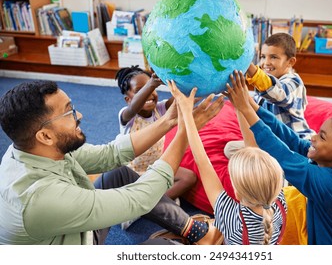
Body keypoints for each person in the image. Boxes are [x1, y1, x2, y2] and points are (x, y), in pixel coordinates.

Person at [0, 80, 224, 245]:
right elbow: (139, 199)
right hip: (80, 241)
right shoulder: (38, 199)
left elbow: (112, 153)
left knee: (119, 173)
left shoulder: (33, 148)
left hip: (76, 227)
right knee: (160, 248)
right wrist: (186, 131)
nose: (80, 116)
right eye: (69, 112)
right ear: (45, 136)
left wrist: (169, 121)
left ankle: (196, 232)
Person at [225, 71, 332, 244]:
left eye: (322, 137)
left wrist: (245, 110)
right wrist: (251, 105)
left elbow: (283, 156)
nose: (313, 137)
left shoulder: (330, 184)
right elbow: (292, 139)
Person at [167, 80, 287, 245]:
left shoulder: (231, 215)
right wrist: (239, 104)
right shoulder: (279, 199)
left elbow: (202, 162)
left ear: (237, 194)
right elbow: (252, 151)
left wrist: (187, 113)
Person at [224, 33, 314, 158]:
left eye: (273, 57)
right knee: (230, 148)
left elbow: (277, 93)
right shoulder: (261, 88)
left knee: (249, 155)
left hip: (295, 144)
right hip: (272, 142)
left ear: (290, 62)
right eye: (263, 56)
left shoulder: (294, 82)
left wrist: (248, 66)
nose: (266, 62)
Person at [115, 66, 196, 203]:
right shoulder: (126, 115)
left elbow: (183, 98)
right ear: (128, 100)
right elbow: (134, 107)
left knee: (189, 177)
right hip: (132, 174)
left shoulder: (161, 108)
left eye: (152, 90)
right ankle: (151, 204)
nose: (149, 94)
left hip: (156, 167)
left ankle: (152, 203)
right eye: (140, 91)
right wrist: (151, 83)